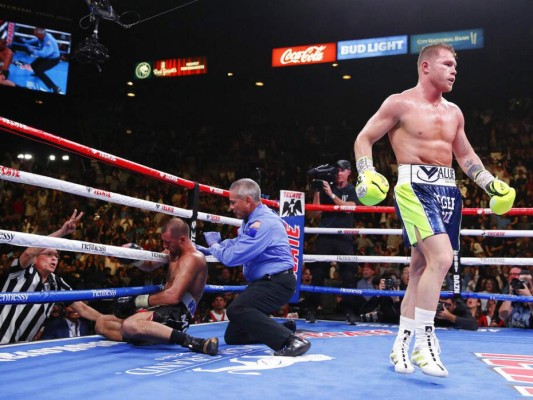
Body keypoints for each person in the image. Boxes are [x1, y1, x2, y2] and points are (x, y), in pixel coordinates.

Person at [354, 43, 516, 377]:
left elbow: (465, 155)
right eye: (446, 64)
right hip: (413, 187)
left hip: (448, 191)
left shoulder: (454, 112)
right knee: (442, 259)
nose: (454, 70)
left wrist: (489, 183)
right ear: (425, 67)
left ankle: (401, 344)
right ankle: (425, 341)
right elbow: (364, 138)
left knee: (419, 270)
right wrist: (366, 172)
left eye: (455, 65)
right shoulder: (399, 103)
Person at [199, 178, 311, 356]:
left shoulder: (262, 222)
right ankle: (282, 330)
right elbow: (238, 242)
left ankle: (291, 341)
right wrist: (211, 249)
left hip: (277, 282)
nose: (230, 207)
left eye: (233, 202)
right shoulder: (252, 219)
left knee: (236, 309)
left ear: (248, 201)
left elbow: (233, 257)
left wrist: (215, 246)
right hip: (266, 282)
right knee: (234, 336)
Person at [95, 218, 219, 355]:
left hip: (179, 314)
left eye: (168, 242)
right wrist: (135, 257)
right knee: (102, 323)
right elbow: (149, 265)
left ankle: (195, 342)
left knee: (129, 325)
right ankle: (153, 336)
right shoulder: (173, 251)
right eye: (163, 241)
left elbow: (173, 297)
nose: (165, 246)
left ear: (182, 240)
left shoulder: (193, 258)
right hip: (163, 309)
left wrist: (135, 301)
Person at [0, 210, 103, 344]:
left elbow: (82, 308)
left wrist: (108, 319)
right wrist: (62, 232)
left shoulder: (56, 282)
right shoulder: (22, 272)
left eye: (56, 256)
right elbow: (29, 252)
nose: (54, 259)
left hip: (22, 346)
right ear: (36, 258)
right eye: (49, 254)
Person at [310, 160, 358, 289]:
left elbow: (349, 208)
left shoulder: (352, 189)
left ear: (349, 172)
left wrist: (331, 195)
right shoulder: (327, 187)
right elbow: (316, 212)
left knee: (348, 274)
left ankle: (349, 308)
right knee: (318, 273)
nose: (339, 173)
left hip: (344, 237)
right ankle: (311, 307)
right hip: (325, 235)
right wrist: (317, 190)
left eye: (342, 170)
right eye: (337, 170)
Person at [23, 27, 62, 93]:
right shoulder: (43, 36)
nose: (35, 36)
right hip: (47, 57)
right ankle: (37, 73)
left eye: (36, 35)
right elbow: (36, 40)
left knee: (39, 70)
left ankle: (55, 87)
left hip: (53, 60)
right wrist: (27, 41)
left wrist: (32, 50)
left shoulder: (49, 41)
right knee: (33, 65)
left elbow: (43, 54)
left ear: (40, 35)